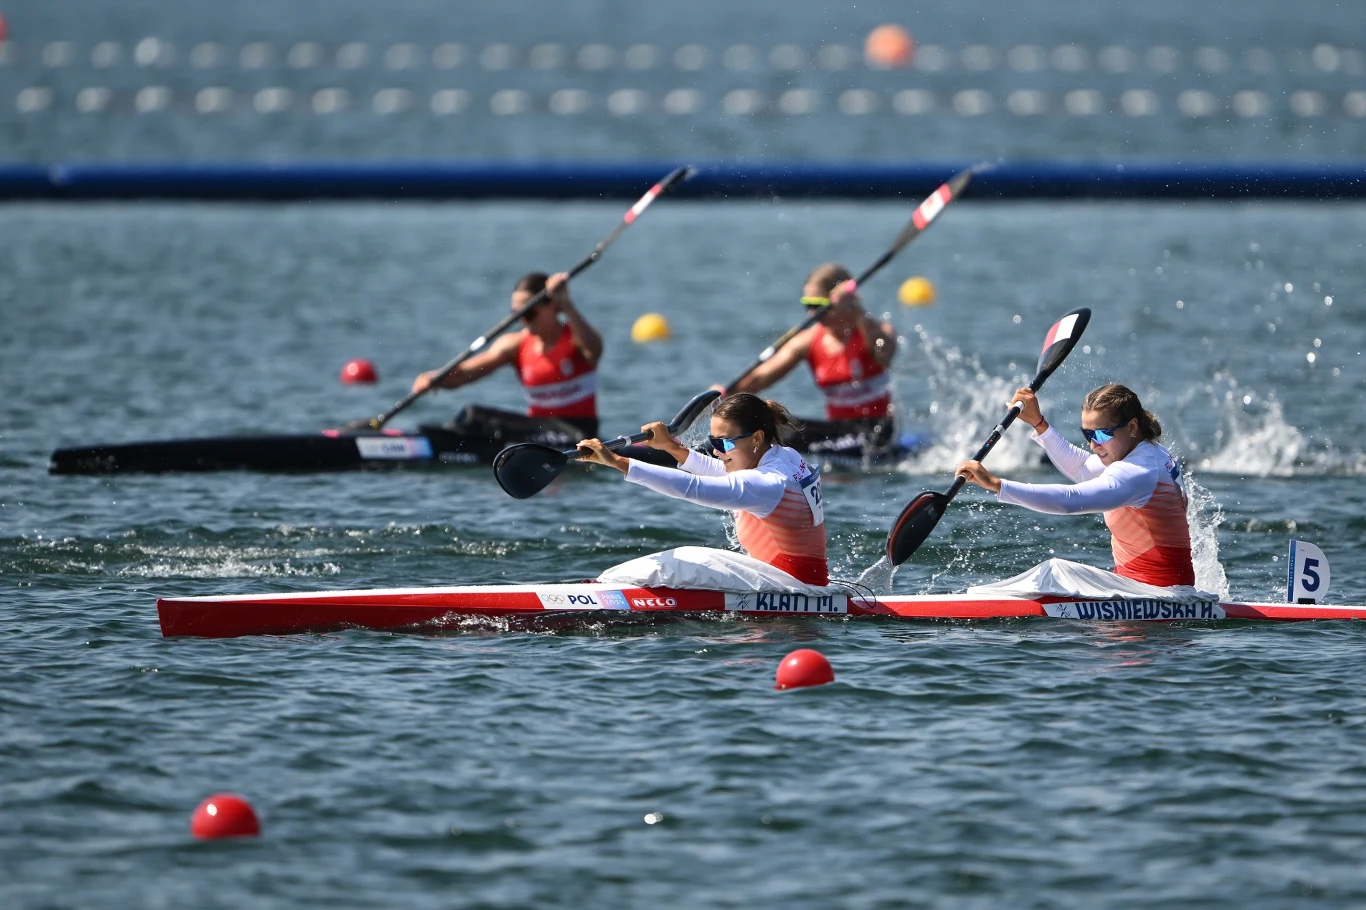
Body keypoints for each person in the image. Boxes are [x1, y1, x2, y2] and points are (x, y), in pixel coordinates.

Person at [955, 383, 1195, 587]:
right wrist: (1039, 423)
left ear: (1132, 427)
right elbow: (1082, 468)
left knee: (1054, 572)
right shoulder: (1146, 453)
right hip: (1149, 589)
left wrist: (997, 485)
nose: (1092, 445)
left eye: (1100, 435)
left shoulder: (1139, 472)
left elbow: (1071, 500)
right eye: (1087, 435)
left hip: (1157, 594)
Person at [576, 392, 829, 585]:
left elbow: (692, 487)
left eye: (724, 443)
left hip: (790, 587)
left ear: (757, 438)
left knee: (688, 559)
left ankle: (597, 590)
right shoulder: (786, 457)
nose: (717, 451)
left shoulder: (768, 483)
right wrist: (672, 447)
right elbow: (725, 474)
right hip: (802, 581)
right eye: (712, 441)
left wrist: (617, 462)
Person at [725, 263, 899, 460]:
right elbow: (760, 377)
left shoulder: (876, 330)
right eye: (808, 305)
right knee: (761, 427)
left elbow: (885, 354)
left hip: (875, 431)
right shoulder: (807, 341)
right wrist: (725, 395)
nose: (811, 314)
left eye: (818, 306)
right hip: (836, 432)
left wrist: (857, 310)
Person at [411, 271, 602, 448]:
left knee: (478, 418)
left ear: (552, 306)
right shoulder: (515, 345)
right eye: (516, 313)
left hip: (578, 434)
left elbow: (595, 349)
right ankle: (450, 444)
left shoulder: (576, 338)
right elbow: (464, 374)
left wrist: (567, 304)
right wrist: (434, 378)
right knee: (473, 416)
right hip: (538, 431)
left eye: (527, 312)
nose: (522, 320)